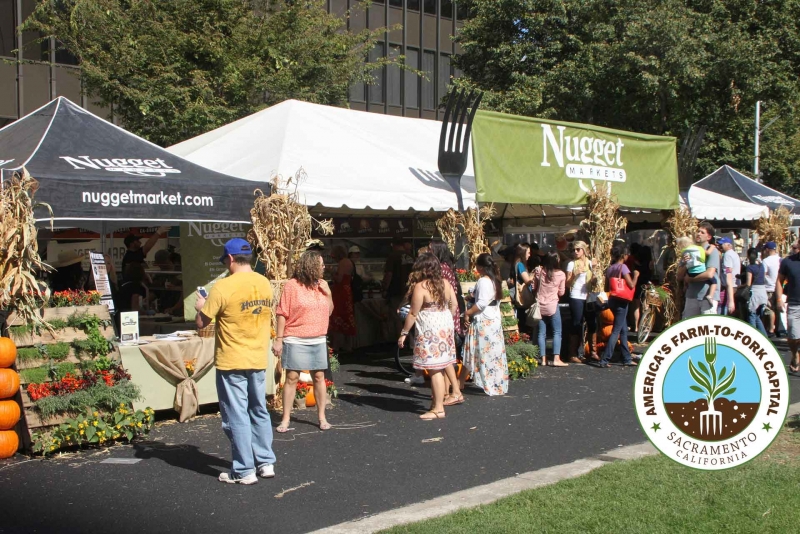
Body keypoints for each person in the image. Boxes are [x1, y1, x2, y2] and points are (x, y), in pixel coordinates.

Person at [194, 238, 276, 485]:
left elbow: (201, 323)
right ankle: (265, 462)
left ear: (230, 259)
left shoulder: (222, 287)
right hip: (258, 355)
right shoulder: (264, 283)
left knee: (237, 415)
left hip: (232, 359)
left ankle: (244, 470)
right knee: (259, 409)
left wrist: (201, 306)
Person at [273, 251, 334, 432]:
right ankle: (285, 419)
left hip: (318, 337)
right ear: (311, 266)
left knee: (319, 377)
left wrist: (328, 293)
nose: (324, 268)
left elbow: (329, 311)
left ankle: (322, 417)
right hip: (295, 337)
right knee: (292, 377)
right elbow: (282, 312)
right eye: (321, 264)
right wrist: (279, 339)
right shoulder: (292, 286)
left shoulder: (322, 285)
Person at [397, 253, 459, 419]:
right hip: (445, 328)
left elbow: (412, 313)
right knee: (440, 366)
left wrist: (403, 333)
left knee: (434, 370)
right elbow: (454, 305)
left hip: (430, 329)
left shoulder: (421, 286)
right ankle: (435, 404)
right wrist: (446, 317)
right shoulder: (445, 283)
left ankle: (438, 408)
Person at [462, 253, 508, 395]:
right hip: (493, 320)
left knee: (473, 351)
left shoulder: (483, 281)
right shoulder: (496, 280)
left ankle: (461, 382)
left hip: (483, 321)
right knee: (492, 353)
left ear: (480, 267)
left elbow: (481, 304)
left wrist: (468, 313)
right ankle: (495, 381)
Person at [429, 241, 466, 401]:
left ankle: (449, 391)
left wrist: (448, 316)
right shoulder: (447, 267)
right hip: (450, 313)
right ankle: (445, 392)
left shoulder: (442, 269)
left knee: (445, 355)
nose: (429, 251)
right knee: (447, 355)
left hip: (445, 314)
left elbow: (447, 296)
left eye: (431, 249)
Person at [592, 245, 638, 368]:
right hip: (622, 302)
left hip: (612, 300)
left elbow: (607, 288)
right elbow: (631, 285)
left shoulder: (610, 268)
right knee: (616, 331)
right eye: (627, 254)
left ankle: (627, 358)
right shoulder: (623, 267)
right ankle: (605, 360)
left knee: (623, 330)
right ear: (623, 255)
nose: (628, 256)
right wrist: (636, 276)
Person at [533, 252, 568, 367]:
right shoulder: (561, 274)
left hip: (540, 305)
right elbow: (562, 292)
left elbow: (534, 287)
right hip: (552, 305)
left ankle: (543, 359)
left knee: (541, 333)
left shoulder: (540, 272)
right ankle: (556, 358)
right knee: (557, 332)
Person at [679, 222, 720, 318]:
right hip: (691, 295)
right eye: (698, 231)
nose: (698, 234)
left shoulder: (711, 250)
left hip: (706, 296)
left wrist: (691, 279)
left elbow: (709, 274)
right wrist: (685, 264)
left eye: (702, 232)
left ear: (709, 237)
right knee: (688, 328)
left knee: (707, 329)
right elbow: (679, 276)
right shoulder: (688, 250)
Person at [565, 241, 592, 363]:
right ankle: (573, 353)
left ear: (584, 250)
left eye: (578, 249)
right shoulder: (571, 264)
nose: (575, 252)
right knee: (577, 323)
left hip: (588, 296)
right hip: (576, 295)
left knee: (591, 322)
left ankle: (591, 351)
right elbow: (567, 284)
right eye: (573, 250)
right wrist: (574, 275)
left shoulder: (590, 263)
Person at [776, 238, 800, 374]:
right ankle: (795, 354)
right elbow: (779, 281)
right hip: (794, 304)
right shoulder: (788, 262)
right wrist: (779, 299)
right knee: (793, 337)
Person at [383, 237, 414, 335]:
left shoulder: (392, 256)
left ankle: (400, 343)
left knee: (397, 318)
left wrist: (384, 288)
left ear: (393, 245)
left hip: (396, 291)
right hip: (411, 291)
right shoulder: (411, 256)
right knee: (410, 315)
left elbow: (389, 274)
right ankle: (410, 342)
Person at [328, 245, 356, 353]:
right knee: (347, 317)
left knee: (338, 316)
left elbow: (339, 279)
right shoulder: (349, 262)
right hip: (347, 290)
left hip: (340, 292)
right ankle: (348, 345)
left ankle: (336, 345)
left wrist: (331, 273)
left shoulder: (342, 263)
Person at [742, 247, 768, 336]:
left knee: (751, 315)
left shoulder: (750, 267)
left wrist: (740, 286)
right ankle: (764, 336)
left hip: (755, 293)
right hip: (763, 291)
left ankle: (752, 336)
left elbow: (748, 283)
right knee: (757, 316)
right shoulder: (761, 266)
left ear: (748, 256)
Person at [761, 241, 784, 337]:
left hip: (769, 288)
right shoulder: (781, 260)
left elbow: (763, 275)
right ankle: (779, 329)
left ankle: (770, 329)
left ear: (767, 250)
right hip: (779, 288)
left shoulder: (766, 261)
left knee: (770, 309)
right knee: (778, 309)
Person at [631, 245, 653, 333]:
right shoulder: (650, 263)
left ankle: (636, 326)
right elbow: (652, 273)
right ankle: (645, 326)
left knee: (636, 307)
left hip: (637, 286)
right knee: (645, 306)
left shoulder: (636, 263)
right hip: (646, 286)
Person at [717, 236, 741, 316]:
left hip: (729, 287)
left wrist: (731, 300)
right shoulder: (734, 254)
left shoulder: (727, 255)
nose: (720, 246)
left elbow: (728, 273)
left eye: (722, 244)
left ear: (729, 245)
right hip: (734, 286)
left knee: (724, 311)